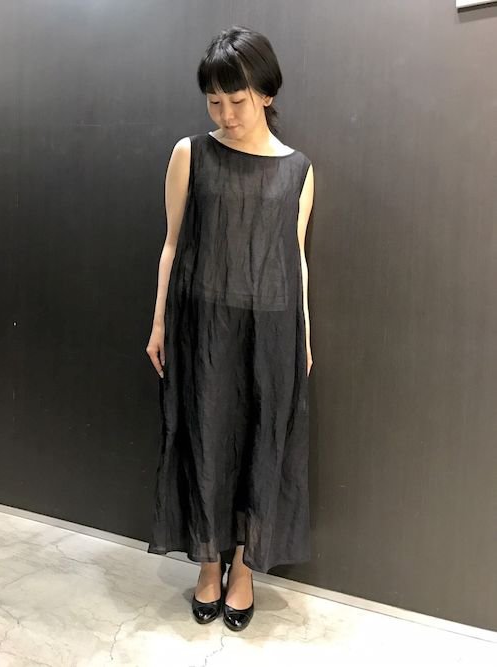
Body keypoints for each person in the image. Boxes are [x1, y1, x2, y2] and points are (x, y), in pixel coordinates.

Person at [146, 25, 314, 632]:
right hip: (202, 326)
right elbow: (171, 244)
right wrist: (159, 321)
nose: (226, 114)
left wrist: (305, 337)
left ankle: (244, 569)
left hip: (272, 329)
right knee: (204, 439)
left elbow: (296, 257)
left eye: (237, 100)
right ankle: (209, 562)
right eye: (214, 101)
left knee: (261, 447)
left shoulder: (298, 170)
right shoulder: (190, 153)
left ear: (266, 93)